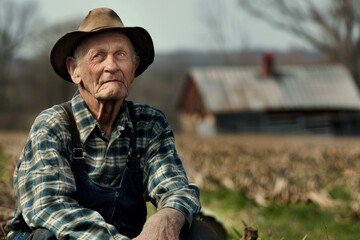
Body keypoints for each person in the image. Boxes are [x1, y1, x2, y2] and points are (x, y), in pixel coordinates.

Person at [5, 8, 219, 240]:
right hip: (67, 234)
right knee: (46, 237)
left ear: (134, 66)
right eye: (98, 56)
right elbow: (49, 206)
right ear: (74, 70)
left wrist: (167, 216)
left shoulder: (149, 124)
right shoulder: (53, 126)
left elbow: (175, 188)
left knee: (197, 232)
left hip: (128, 235)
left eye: (120, 55)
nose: (112, 66)